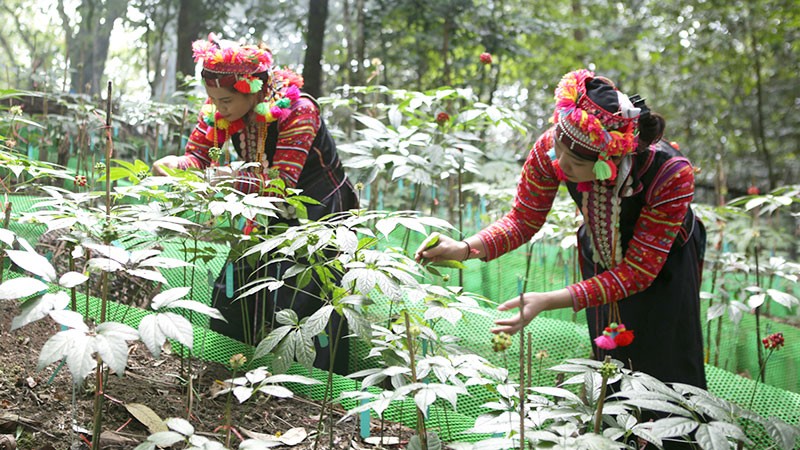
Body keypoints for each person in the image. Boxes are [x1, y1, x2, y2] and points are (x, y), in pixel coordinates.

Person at [416, 69, 706, 391]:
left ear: (607, 159)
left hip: (664, 267)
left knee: (667, 365)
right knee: (609, 363)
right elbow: (523, 218)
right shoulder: (553, 147)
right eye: (558, 147)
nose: (560, 163)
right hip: (599, 251)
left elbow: (638, 272)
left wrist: (548, 300)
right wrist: (463, 248)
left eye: (575, 164)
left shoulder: (670, 175)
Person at [153, 36, 357, 374]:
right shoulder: (221, 108)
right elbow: (197, 156)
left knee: (304, 295)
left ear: (254, 91)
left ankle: (311, 388)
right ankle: (230, 367)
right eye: (213, 99)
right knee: (233, 287)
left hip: (319, 209)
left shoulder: (298, 110)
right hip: (260, 207)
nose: (219, 108)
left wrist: (217, 177)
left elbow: (280, 184)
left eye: (227, 100)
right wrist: (178, 165)